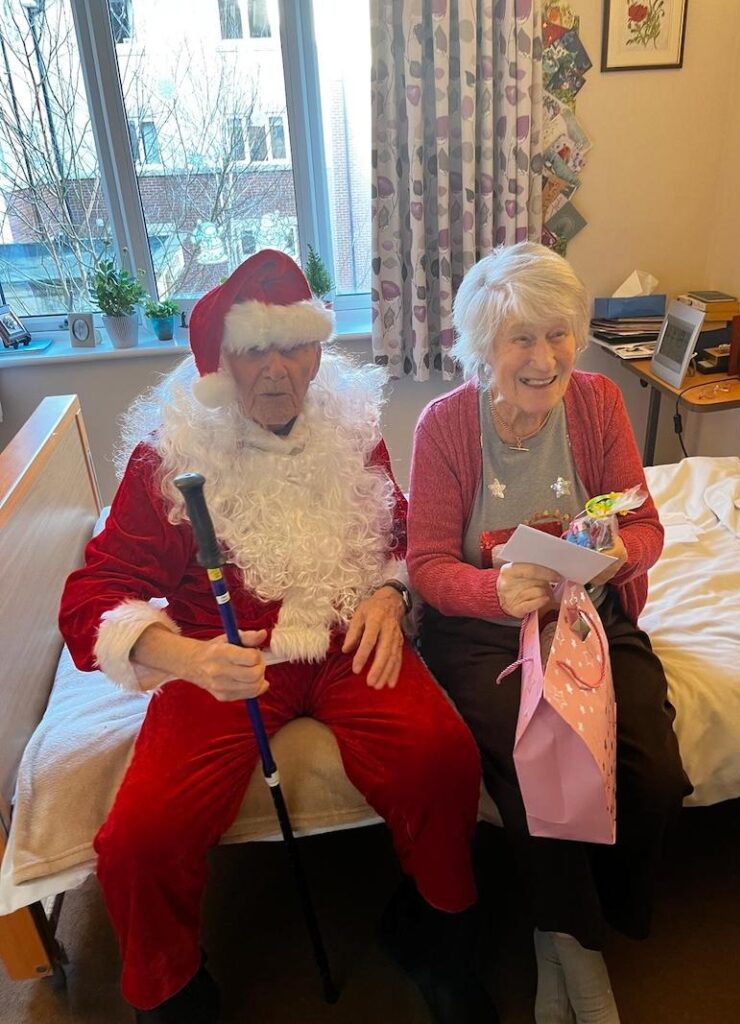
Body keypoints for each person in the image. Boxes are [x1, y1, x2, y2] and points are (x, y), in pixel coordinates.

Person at [59, 250, 497, 1024]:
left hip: (345, 637)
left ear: (317, 349)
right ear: (221, 360)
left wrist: (391, 595)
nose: (275, 371)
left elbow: (404, 533)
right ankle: (174, 994)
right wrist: (187, 657)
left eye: (293, 347)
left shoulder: (353, 427)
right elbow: (92, 596)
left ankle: (436, 936)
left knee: (443, 759)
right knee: (139, 837)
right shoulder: (170, 455)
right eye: (253, 351)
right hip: (222, 656)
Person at [406, 242, 692, 1024]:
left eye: (558, 333)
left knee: (655, 773)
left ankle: (579, 917)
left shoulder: (597, 403)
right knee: (540, 767)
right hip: (481, 629)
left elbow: (646, 526)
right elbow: (425, 563)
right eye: (520, 339)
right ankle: (573, 950)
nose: (544, 358)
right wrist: (491, 590)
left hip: (585, 615)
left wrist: (613, 556)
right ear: (483, 347)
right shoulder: (445, 426)